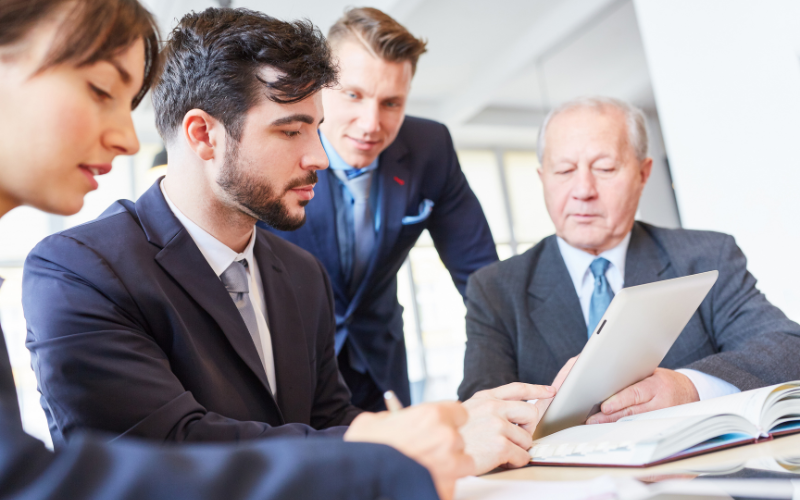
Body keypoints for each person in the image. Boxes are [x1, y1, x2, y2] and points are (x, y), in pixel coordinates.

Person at [23, 6, 557, 477]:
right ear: (203, 135)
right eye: (290, 130)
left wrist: (444, 430)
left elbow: (330, 423)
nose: (321, 158)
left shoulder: (301, 274)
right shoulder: (79, 270)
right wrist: (418, 439)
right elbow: (165, 452)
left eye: (317, 129)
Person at [458, 96, 800, 424]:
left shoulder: (706, 256)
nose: (583, 190)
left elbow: (788, 347)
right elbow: (481, 406)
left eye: (604, 168)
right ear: (542, 179)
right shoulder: (496, 289)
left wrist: (687, 387)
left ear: (643, 173)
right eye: (563, 171)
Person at [261, 7, 499, 411]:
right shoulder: (276, 144)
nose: (371, 124)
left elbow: (483, 278)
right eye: (353, 95)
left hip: (380, 362)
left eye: (391, 103)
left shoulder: (430, 149)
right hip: (289, 362)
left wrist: (490, 388)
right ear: (318, 87)